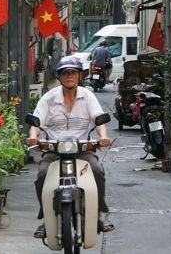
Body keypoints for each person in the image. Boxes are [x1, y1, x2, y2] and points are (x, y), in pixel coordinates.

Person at [28, 55, 115, 238]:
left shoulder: (88, 96)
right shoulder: (48, 99)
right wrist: (33, 137)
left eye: (73, 73)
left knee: (97, 170)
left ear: (79, 76)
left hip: (82, 151)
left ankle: (99, 215)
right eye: (65, 73)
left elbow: (98, 119)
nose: (69, 77)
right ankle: (46, 219)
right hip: (54, 151)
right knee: (42, 175)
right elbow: (36, 124)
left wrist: (104, 136)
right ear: (59, 76)